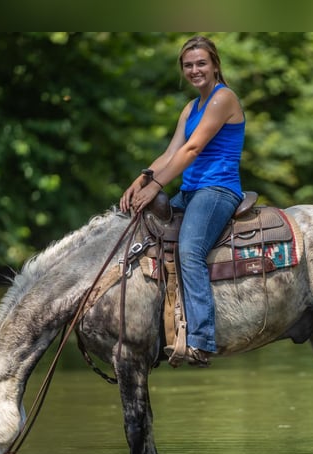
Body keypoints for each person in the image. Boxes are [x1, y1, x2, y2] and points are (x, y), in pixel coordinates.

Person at [119, 35, 246, 368]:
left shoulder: (223, 99)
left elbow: (192, 150)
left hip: (217, 189)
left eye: (201, 63)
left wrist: (158, 184)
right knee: (145, 236)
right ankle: (160, 323)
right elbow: (171, 152)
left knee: (189, 250)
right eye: (188, 65)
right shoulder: (191, 107)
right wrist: (141, 180)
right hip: (190, 190)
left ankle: (202, 339)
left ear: (215, 65)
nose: (195, 70)